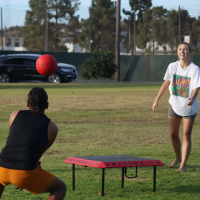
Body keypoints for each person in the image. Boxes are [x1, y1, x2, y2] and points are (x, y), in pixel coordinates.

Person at [0, 87, 66, 199]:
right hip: (25, 172)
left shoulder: (14, 114)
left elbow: (14, 140)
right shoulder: (52, 127)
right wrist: (25, 179)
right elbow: (38, 152)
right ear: (47, 105)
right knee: (60, 188)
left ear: (27, 103)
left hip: (1, 166)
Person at [152, 42, 200, 173]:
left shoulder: (194, 69)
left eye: (185, 49)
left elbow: (196, 87)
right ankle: (178, 157)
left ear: (190, 52)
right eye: (180, 49)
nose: (182, 51)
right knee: (173, 134)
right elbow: (166, 83)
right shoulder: (172, 66)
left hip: (189, 107)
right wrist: (156, 100)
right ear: (177, 52)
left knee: (186, 135)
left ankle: (183, 165)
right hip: (174, 104)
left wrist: (193, 97)